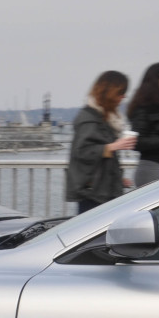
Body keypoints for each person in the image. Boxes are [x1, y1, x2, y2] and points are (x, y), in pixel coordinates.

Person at [65, 70, 135, 214]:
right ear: (109, 93)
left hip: (102, 192)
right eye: (120, 93)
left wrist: (118, 179)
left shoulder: (103, 118)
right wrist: (113, 146)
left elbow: (100, 159)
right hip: (93, 195)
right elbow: (82, 151)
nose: (124, 97)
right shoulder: (89, 119)